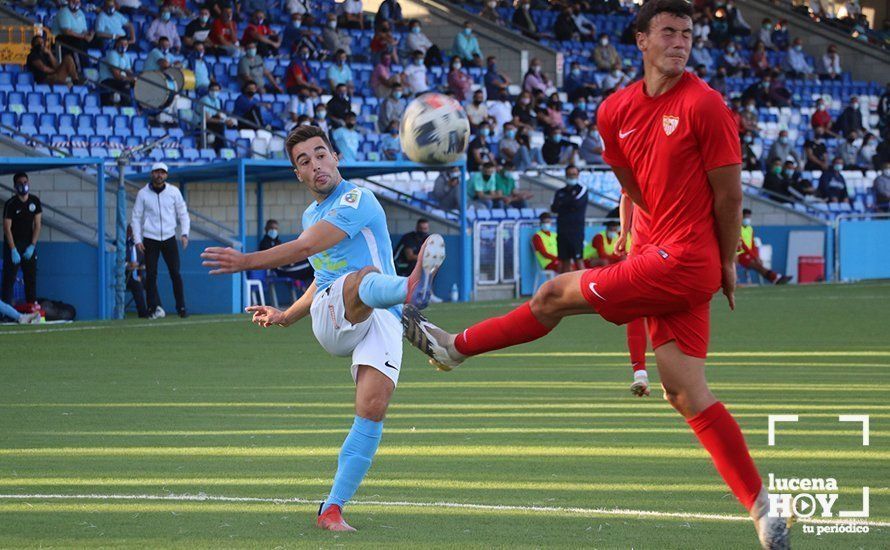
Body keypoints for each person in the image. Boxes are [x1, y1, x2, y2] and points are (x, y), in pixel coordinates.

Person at [400, 2, 791, 548]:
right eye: (669, 33)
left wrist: (726, 262)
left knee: (552, 294)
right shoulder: (615, 111)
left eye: (688, 34)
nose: (680, 43)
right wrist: (638, 237)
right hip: (659, 254)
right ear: (641, 41)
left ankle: (455, 348)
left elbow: (729, 195)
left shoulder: (706, 105)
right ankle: (762, 507)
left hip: (686, 259)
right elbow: (633, 186)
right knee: (685, 390)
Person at [200, 125, 447, 532]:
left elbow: (311, 262)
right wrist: (247, 264)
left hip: (379, 316)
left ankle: (331, 509)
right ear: (298, 174)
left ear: (335, 157)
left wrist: (283, 315)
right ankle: (410, 287)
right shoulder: (318, 214)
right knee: (361, 276)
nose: (315, 165)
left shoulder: (356, 198)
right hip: (337, 314)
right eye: (304, 161)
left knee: (372, 411)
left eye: (319, 154)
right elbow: (312, 260)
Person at [131, 163, 190, 319]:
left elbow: (183, 213)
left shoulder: (174, 192)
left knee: (175, 273)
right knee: (151, 275)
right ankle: (152, 308)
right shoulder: (143, 193)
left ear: (166, 175)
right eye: (157, 172)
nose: (159, 175)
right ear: (152, 174)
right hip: (150, 238)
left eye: (162, 172)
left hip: (169, 237)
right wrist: (137, 239)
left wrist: (184, 233)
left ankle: (181, 307)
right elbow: (136, 217)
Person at [2, 172, 41, 307]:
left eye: (25, 182)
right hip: (13, 245)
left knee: (31, 278)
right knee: (9, 279)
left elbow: (37, 225)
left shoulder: (35, 201)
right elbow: (7, 228)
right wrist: (13, 249)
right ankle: (5, 313)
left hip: (28, 244)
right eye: (20, 183)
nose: (23, 186)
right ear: (15, 186)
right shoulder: (11, 204)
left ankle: (32, 309)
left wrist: (32, 245)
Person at [737, 209, 791, 284]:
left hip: (750, 255)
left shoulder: (750, 229)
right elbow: (743, 245)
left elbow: (753, 245)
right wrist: (754, 257)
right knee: (756, 265)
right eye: (746, 217)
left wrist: (757, 256)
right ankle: (776, 277)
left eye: (749, 217)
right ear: (741, 217)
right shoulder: (737, 229)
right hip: (741, 254)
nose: (748, 219)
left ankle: (776, 278)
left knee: (758, 265)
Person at [550, 165, 586, 273]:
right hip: (562, 231)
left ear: (578, 175)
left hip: (576, 232)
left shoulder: (582, 190)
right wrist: (567, 203)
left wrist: (563, 203)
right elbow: (554, 208)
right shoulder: (560, 192)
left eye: (574, 174)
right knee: (564, 261)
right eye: (569, 174)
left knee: (578, 261)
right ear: (565, 175)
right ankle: (564, 289)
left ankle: (586, 288)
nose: (571, 177)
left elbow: (576, 204)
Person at [258, 219, 314, 286]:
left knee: (310, 262)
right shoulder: (264, 244)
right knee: (310, 266)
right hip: (279, 269)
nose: (273, 230)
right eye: (271, 228)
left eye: (275, 229)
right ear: (266, 229)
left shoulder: (278, 242)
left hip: (287, 265)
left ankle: (309, 288)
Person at [52, 0, 93, 70]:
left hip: (78, 37)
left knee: (98, 40)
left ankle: (92, 67)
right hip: (62, 38)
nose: (75, 3)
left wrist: (89, 36)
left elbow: (84, 30)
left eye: (77, 2)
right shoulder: (63, 12)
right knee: (79, 43)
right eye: (73, 1)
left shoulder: (80, 13)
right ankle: (81, 69)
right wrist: (84, 37)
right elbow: (67, 31)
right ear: (69, 1)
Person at [198, 82, 235, 151]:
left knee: (230, 124)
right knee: (220, 126)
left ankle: (224, 147)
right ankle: (220, 149)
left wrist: (227, 120)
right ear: (208, 90)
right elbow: (207, 119)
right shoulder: (205, 100)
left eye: (216, 90)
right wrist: (223, 121)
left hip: (212, 122)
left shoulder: (217, 100)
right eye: (212, 90)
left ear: (219, 91)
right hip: (201, 123)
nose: (214, 92)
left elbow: (219, 114)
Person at [98, 37, 135, 107]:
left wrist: (135, 79)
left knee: (137, 84)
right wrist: (130, 79)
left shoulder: (126, 56)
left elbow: (129, 72)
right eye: (121, 44)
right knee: (126, 84)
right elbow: (116, 75)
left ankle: (137, 108)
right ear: (116, 44)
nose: (123, 46)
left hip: (118, 81)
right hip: (107, 80)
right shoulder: (112, 54)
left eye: (125, 44)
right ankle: (126, 108)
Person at [126, 224, 149, 318]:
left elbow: (143, 263)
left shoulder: (139, 247)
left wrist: (140, 274)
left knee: (150, 283)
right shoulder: (122, 244)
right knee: (137, 285)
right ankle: (143, 313)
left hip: (137, 275)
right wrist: (128, 265)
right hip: (126, 277)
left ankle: (155, 308)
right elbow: (117, 261)